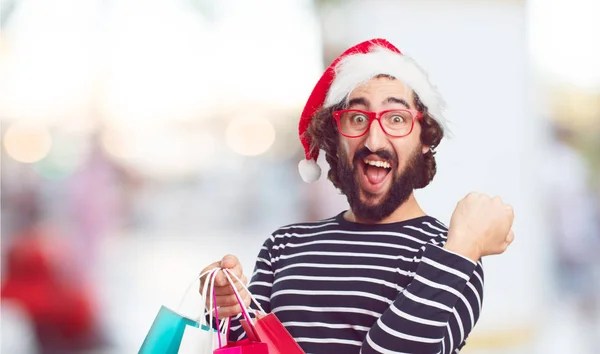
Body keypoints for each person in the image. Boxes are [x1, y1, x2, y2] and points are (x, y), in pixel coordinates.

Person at [200, 38, 514, 353]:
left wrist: (462, 249)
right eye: (358, 118)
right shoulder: (283, 247)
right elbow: (247, 347)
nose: (374, 139)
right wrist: (225, 308)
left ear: (424, 139)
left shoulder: (451, 256)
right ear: (335, 139)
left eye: (396, 119)